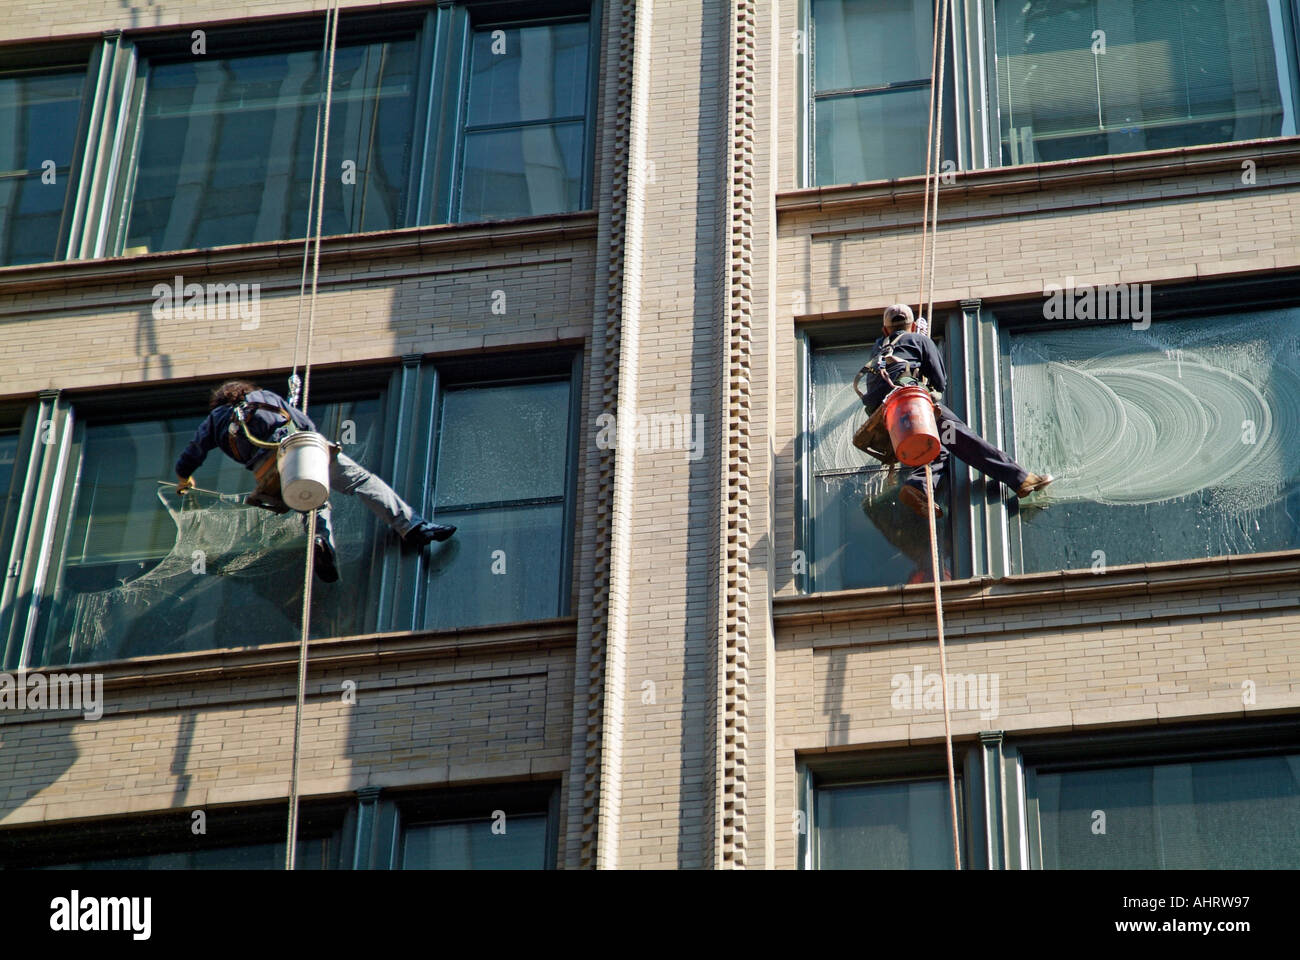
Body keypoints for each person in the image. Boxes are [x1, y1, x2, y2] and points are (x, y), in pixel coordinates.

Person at [174, 380, 455, 583]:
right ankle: (413, 527)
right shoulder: (264, 396)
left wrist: (183, 478)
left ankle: (321, 539)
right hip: (297, 449)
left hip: (267, 470)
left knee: (313, 500)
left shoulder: (215, 420)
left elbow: (193, 452)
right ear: (245, 390)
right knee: (360, 481)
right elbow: (305, 425)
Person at [861, 304, 1054, 518]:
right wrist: (921, 340)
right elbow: (940, 382)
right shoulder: (919, 340)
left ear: (885, 330)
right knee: (960, 437)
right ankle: (1020, 478)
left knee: (937, 448)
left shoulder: (878, 349)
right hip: (910, 405)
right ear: (913, 325)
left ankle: (919, 486)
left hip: (886, 414)